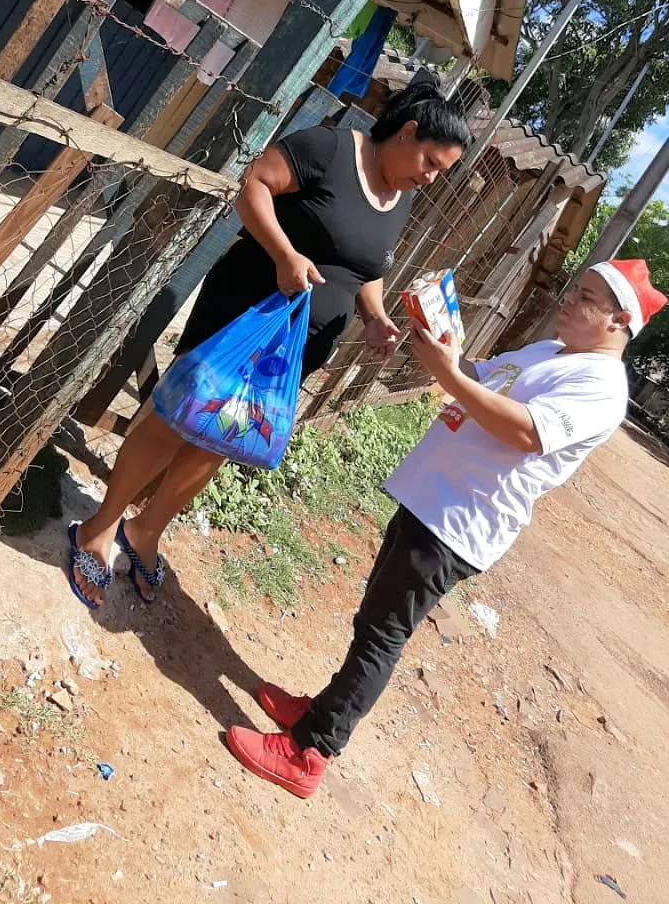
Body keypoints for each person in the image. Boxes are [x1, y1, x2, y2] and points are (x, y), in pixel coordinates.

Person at [225, 258, 667, 799]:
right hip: (433, 495)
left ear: (620, 321)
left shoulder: (601, 386)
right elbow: (484, 377)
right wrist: (441, 345)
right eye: (574, 289)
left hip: (461, 520)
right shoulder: (554, 351)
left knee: (382, 636)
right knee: (373, 619)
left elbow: (528, 433)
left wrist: (450, 375)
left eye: (587, 298)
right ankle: (323, 709)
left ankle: (311, 751)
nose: (569, 300)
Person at [67, 76, 472, 608]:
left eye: (441, 172)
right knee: (176, 419)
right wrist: (285, 254)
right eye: (431, 162)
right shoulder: (329, 150)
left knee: (224, 437)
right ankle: (98, 527)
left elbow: (367, 269)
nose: (430, 178)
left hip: (291, 350)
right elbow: (253, 184)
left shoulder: (399, 197)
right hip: (243, 314)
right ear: (408, 132)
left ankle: (145, 531)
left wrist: (374, 317)